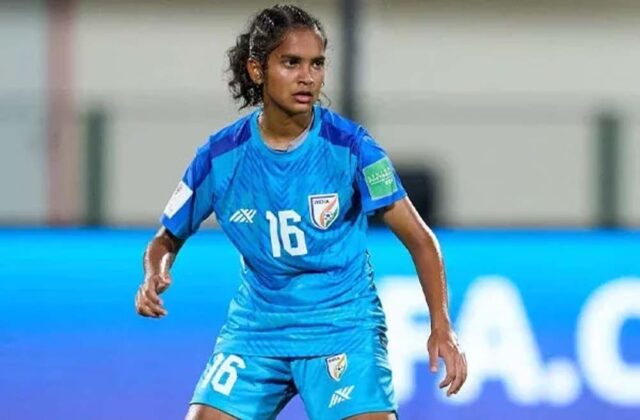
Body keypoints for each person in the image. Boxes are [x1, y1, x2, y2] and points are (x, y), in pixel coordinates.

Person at [135, 4, 467, 420]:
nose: (307, 76)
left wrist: (441, 326)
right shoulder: (220, 157)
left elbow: (420, 240)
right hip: (258, 331)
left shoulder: (352, 147)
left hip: (341, 328)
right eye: (291, 63)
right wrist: (154, 273)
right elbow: (166, 237)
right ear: (257, 70)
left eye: (317, 63)